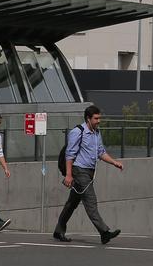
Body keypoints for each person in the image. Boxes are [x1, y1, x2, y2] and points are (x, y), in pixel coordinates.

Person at [53, 105, 123, 244]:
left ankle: (58, 231)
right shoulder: (78, 132)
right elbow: (70, 154)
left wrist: (114, 162)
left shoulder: (97, 133)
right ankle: (104, 232)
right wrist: (68, 175)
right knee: (91, 201)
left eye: (99, 118)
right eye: (96, 118)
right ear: (88, 119)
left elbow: (101, 152)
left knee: (71, 203)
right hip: (79, 171)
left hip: (90, 172)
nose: (99, 121)